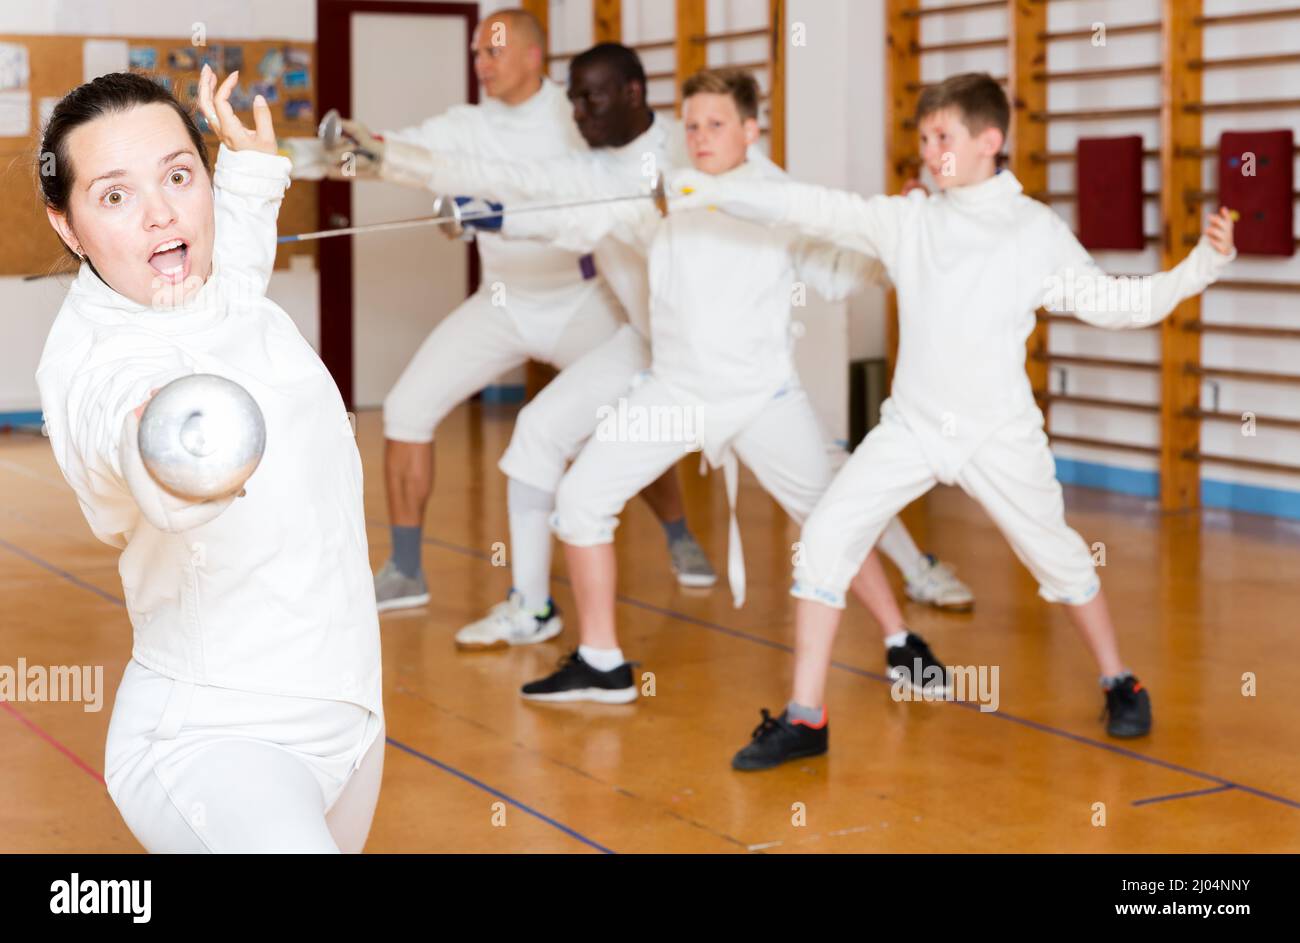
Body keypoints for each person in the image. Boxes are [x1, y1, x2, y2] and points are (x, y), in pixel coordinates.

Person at [673, 72, 1237, 769]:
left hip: (996, 433)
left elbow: (1118, 304)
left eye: (943, 137)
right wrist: (716, 190)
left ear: (988, 142)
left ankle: (1121, 679)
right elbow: (812, 206)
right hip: (910, 426)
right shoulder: (909, 220)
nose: (929, 149)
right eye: (924, 137)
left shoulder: (1032, 231)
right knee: (823, 539)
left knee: (1058, 558)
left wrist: (1201, 268)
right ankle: (806, 716)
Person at [399, 44, 974, 649]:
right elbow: (578, 217)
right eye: (693, 125)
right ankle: (600, 661)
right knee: (581, 500)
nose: (700, 137)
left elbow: (833, 272)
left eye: (717, 125)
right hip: (675, 390)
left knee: (828, 520)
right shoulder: (670, 193)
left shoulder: (777, 197)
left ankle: (899, 638)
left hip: (760, 398)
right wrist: (494, 218)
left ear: (750, 131)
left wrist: (895, 245)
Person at [34, 66, 384, 850]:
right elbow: (121, 432)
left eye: (179, 175)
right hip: (216, 737)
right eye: (115, 196)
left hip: (351, 709)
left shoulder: (214, 286)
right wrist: (156, 438)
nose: (161, 214)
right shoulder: (92, 361)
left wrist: (254, 174)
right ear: (66, 225)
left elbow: (237, 275)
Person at [326, 10, 717, 626]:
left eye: (494, 50)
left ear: (535, 56)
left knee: (623, 419)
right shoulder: (466, 125)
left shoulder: (581, 117)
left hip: (580, 301)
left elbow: (561, 197)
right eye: (477, 51)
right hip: (502, 302)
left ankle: (677, 533)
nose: (481, 62)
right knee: (406, 407)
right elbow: (420, 155)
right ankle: (407, 571)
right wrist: (357, 150)